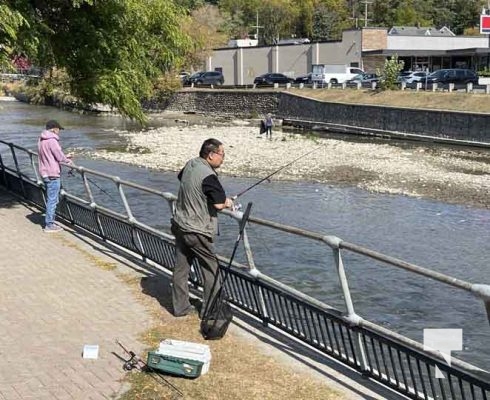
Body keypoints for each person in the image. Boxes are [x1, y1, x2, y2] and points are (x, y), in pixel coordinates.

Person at [171, 138, 234, 317]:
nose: (223, 159)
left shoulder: (190, 164)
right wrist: (228, 202)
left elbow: (181, 178)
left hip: (179, 224)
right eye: (222, 154)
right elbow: (219, 204)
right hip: (196, 230)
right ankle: (211, 312)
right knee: (211, 269)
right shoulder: (209, 175)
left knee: (181, 268)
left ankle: (180, 307)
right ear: (211, 154)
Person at [38, 119, 72, 233]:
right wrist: (67, 159)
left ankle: (50, 221)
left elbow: (49, 155)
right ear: (53, 129)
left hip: (44, 172)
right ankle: (49, 225)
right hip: (53, 173)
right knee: (53, 200)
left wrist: (64, 156)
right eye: (58, 129)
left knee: (50, 198)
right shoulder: (52, 140)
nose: (59, 132)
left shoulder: (41, 139)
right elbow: (59, 156)